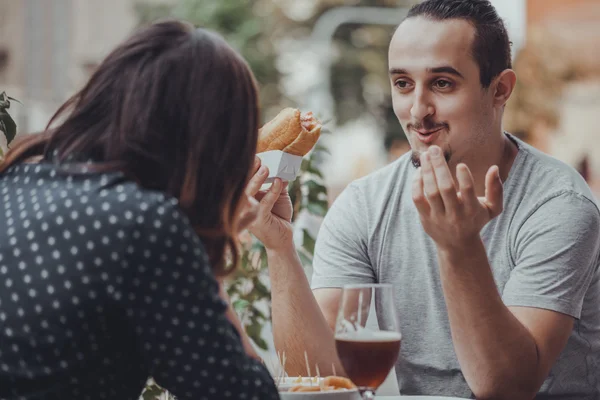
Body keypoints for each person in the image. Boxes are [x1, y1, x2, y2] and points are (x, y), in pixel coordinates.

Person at [248, 0, 600, 399]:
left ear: (499, 89)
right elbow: (321, 375)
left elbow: (505, 388)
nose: (417, 110)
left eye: (442, 83)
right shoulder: (364, 204)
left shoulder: (557, 205)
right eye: (402, 84)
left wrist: (459, 247)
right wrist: (279, 249)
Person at [0, 20, 279, 400]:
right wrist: (208, 249)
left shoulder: (15, 182)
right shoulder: (144, 224)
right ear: (214, 147)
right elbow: (243, 394)